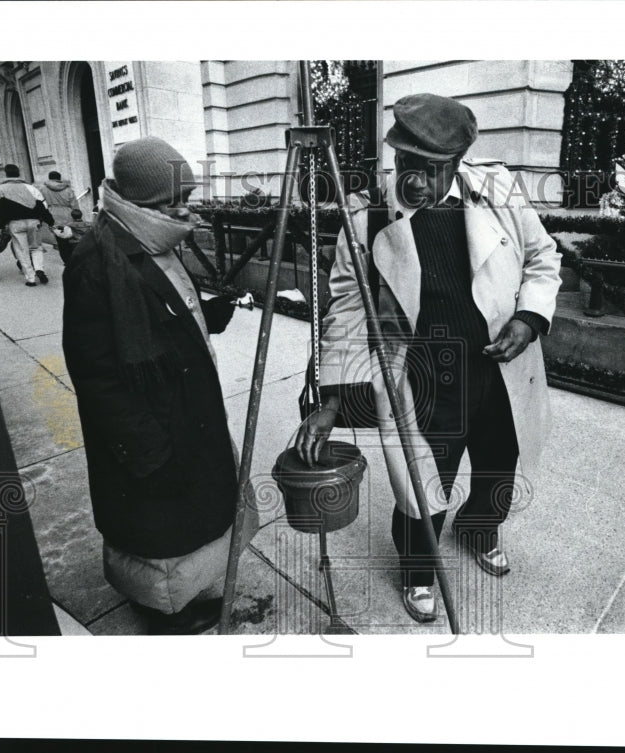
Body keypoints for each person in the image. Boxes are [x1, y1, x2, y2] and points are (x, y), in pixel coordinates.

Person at [295, 93, 562, 623]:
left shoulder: (499, 189)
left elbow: (542, 257)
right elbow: (348, 307)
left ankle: (480, 527)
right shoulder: (367, 213)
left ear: (458, 162)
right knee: (422, 480)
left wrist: (529, 318)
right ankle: (420, 568)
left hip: (497, 366)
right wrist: (330, 400)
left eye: (431, 170)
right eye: (405, 165)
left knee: (497, 460)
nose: (414, 182)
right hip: (422, 376)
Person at [62, 136, 258, 635]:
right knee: (157, 521)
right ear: (142, 199)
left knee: (188, 511)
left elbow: (168, 308)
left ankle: (179, 591)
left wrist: (211, 313)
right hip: (146, 423)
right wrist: (143, 447)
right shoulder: (97, 261)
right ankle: (161, 609)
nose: (185, 211)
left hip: (180, 406)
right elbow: (95, 372)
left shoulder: (152, 237)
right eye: (176, 200)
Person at [0, 163, 54, 286]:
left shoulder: (0, 189)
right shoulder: (30, 187)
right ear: (18, 173)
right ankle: (40, 270)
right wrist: (50, 221)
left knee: (22, 250)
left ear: (6, 174)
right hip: (34, 222)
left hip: (15, 224)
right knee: (36, 247)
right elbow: (43, 205)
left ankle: (30, 278)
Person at [38, 170, 81, 245]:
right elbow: (74, 205)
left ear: (49, 178)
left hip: (51, 213)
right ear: (59, 178)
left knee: (56, 234)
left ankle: (58, 246)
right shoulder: (68, 189)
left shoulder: (42, 189)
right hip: (68, 213)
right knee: (67, 233)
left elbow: (40, 203)